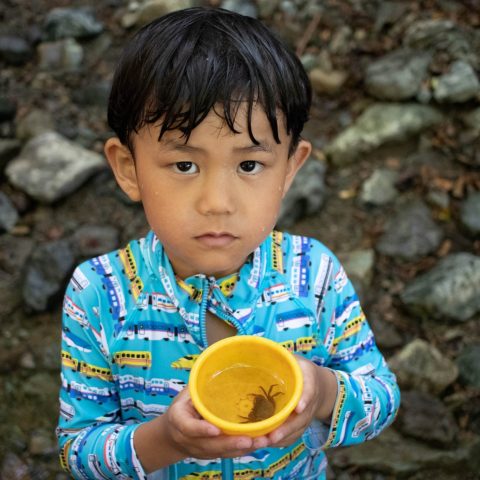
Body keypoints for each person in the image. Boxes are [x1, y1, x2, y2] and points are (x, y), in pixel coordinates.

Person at [56, 6, 400, 479]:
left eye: (249, 165)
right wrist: (165, 440)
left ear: (290, 168)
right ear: (128, 168)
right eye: (184, 165)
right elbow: (78, 450)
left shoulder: (313, 274)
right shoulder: (100, 293)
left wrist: (322, 392)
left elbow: (381, 399)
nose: (217, 203)